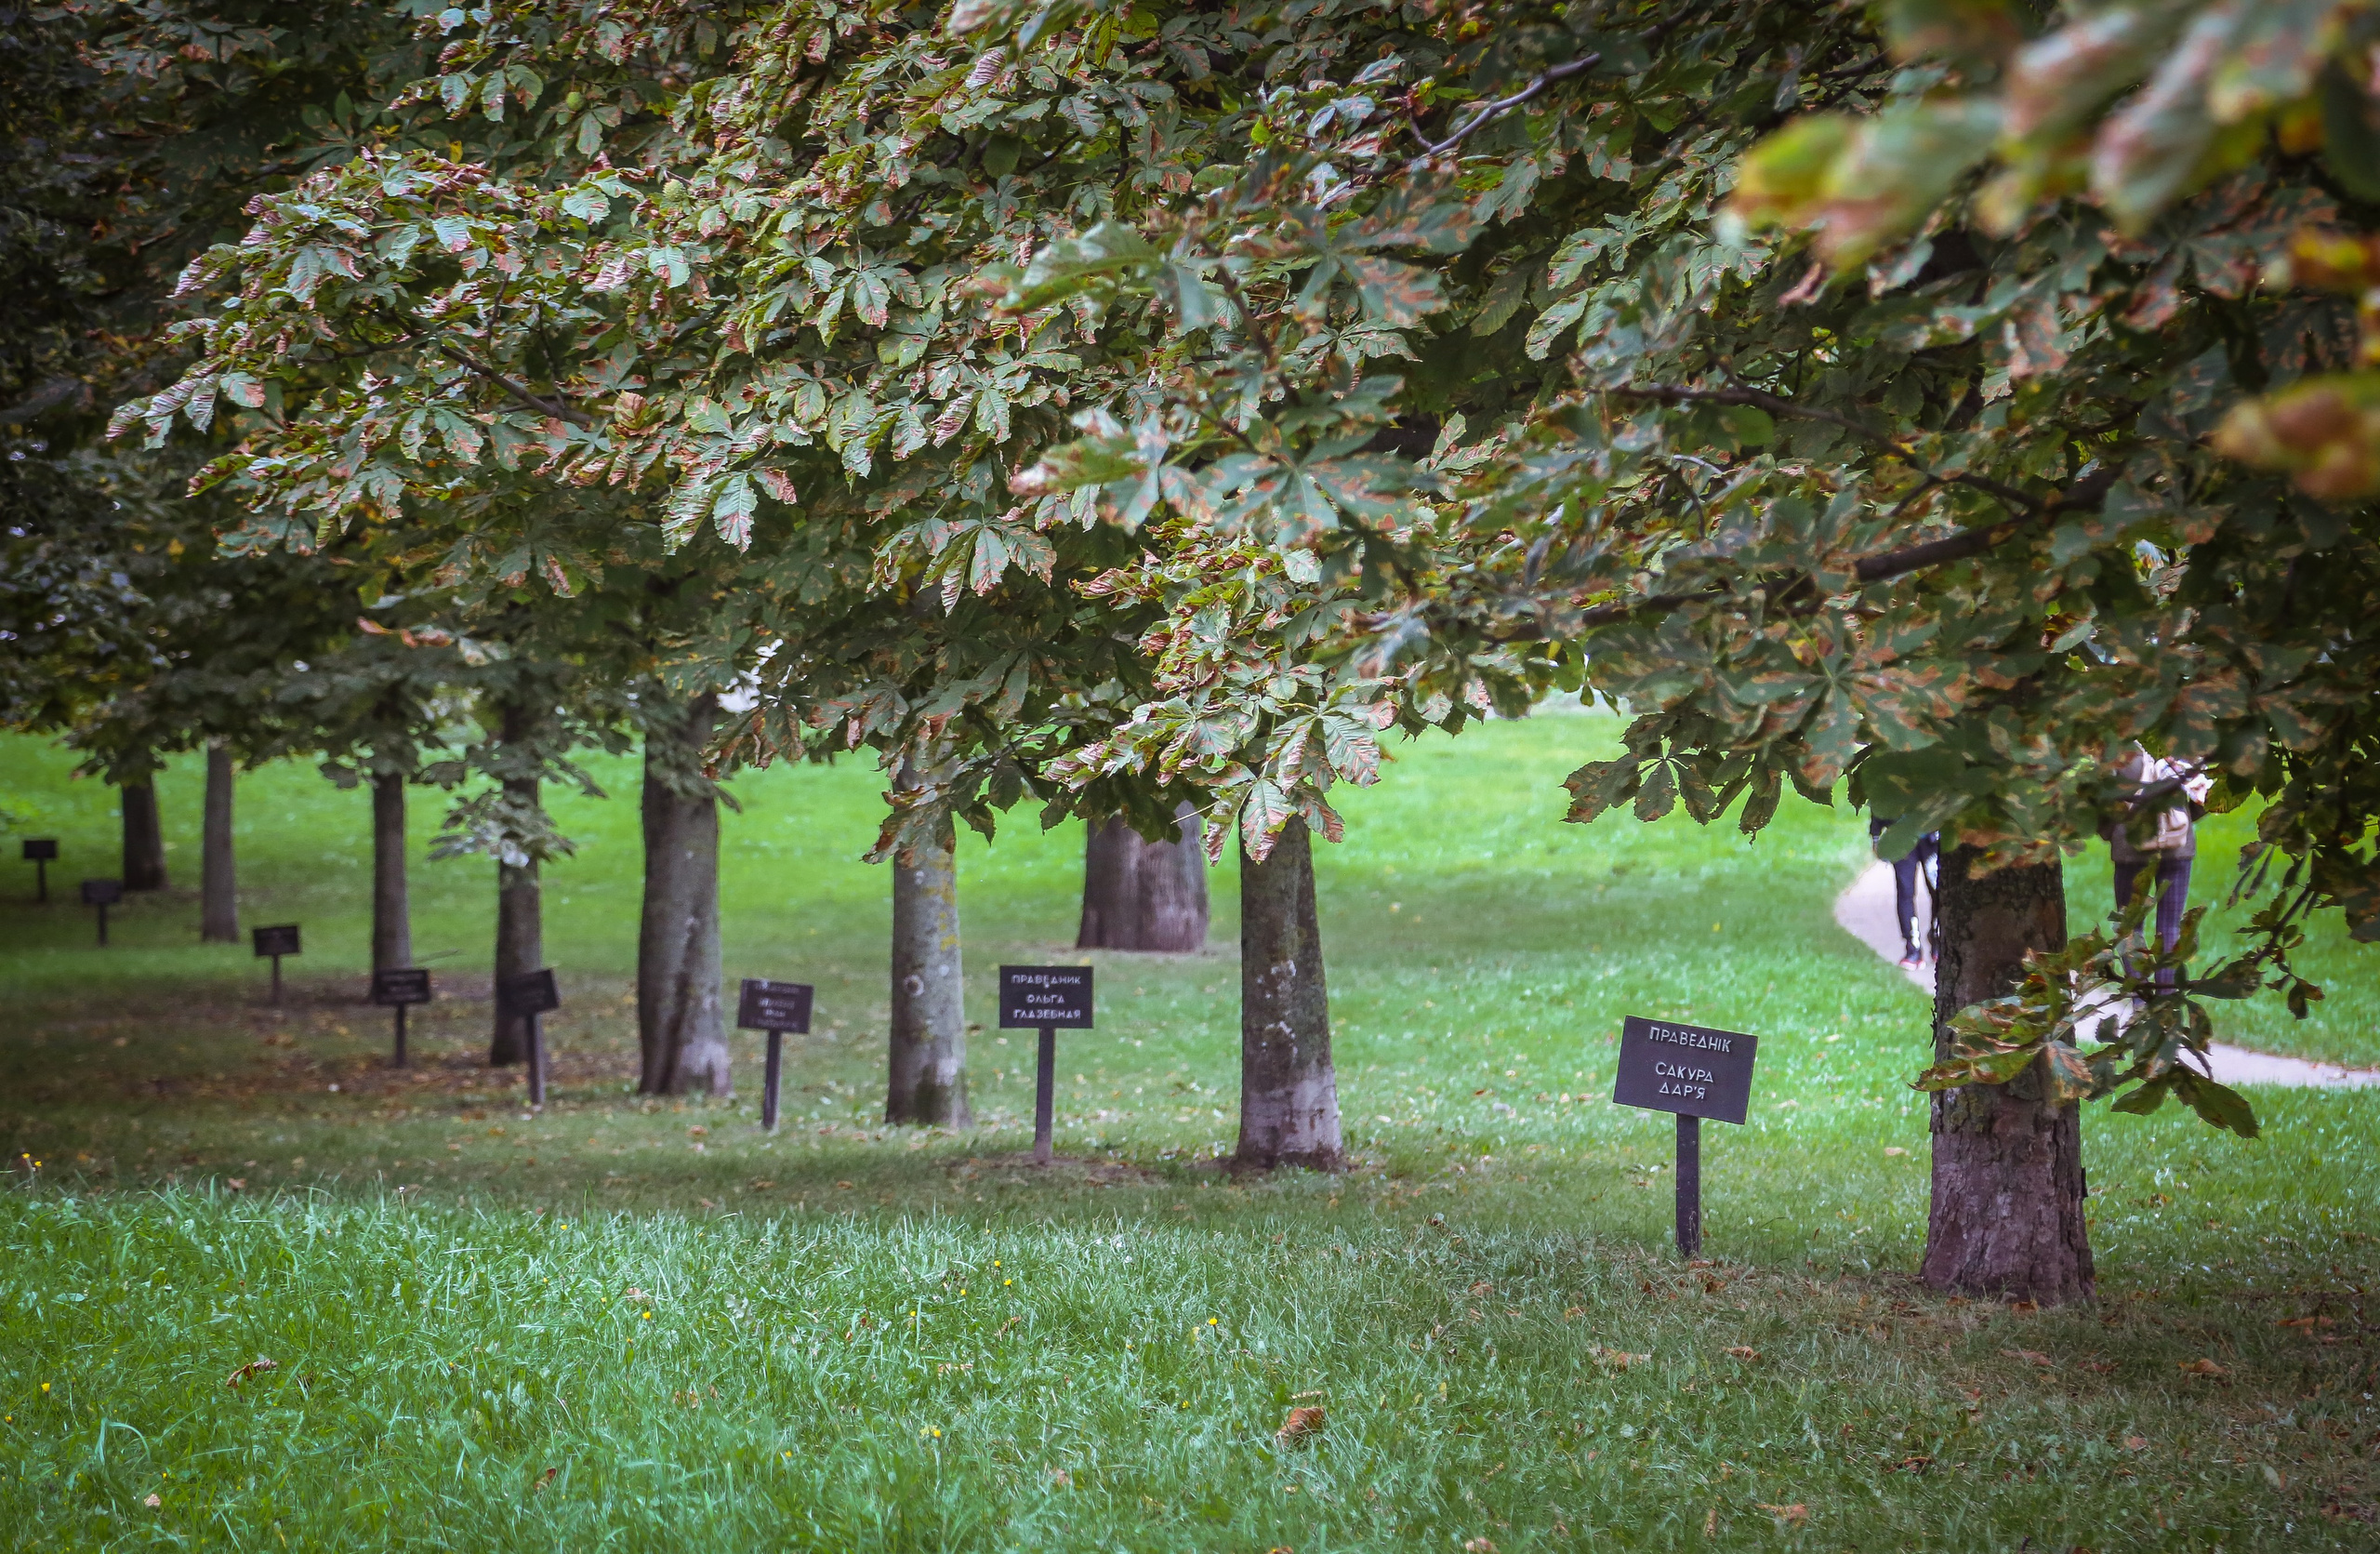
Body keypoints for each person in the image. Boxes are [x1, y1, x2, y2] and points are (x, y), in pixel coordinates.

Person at [2103, 744, 2213, 989]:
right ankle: (2166, 999)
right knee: (2171, 926)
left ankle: (2139, 996)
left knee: (2130, 926)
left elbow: (2100, 800)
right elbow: (2203, 796)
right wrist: (2182, 820)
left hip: (2130, 849)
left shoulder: (2119, 747)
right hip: (2178, 849)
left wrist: (2113, 832)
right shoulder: (2179, 744)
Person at [1869, 816, 1941, 966]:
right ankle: (1912, 948)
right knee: (1905, 891)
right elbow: (1879, 802)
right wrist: (1875, 837)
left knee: (1938, 890)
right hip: (1900, 839)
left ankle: (1938, 938)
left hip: (1931, 838)